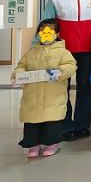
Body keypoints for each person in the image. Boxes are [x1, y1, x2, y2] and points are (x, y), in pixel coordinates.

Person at [41, 0, 91, 142]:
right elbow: (46, 23)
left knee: (85, 86)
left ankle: (82, 124)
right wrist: (38, 46)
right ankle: (65, 125)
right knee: (61, 87)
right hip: (61, 50)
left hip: (88, 50)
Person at [11, 19, 77, 158]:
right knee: (32, 121)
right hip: (32, 96)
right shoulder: (31, 52)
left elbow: (71, 65)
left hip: (53, 95)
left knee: (52, 121)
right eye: (42, 32)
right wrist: (17, 75)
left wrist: (62, 71)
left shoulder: (63, 52)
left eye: (50, 32)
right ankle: (33, 145)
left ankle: (50, 144)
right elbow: (21, 65)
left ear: (57, 34)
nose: (46, 35)